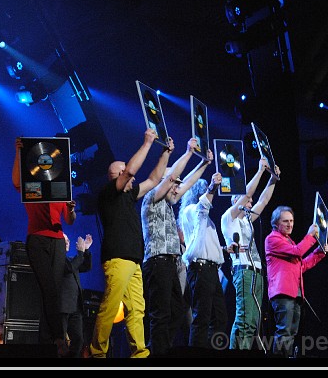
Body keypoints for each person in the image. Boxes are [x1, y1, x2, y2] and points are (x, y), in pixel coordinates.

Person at [89, 128, 173, 358]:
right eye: (125, 171)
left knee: (137, 309)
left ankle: (140, 354)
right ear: (117, 174)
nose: (132, 177)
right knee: (110, 305)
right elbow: (131, 171)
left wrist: (165, 153)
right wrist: (147, 143)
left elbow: (153, 180)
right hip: (117, 258)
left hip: (134, 260)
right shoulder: (108, 193)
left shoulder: (129, 195)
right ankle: (97, 352)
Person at [141, 138, 211, 356]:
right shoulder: (151, 197)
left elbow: (187, 183)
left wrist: (204, 163)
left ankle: (161, 349)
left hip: (171, 263)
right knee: (160, 313)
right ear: (163, 182)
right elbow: (173, 177)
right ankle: (157, 354)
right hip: (157, 261)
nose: (177, 188)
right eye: (173, 183)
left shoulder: (169, 201)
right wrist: (189, 152)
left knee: (178, 310)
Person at [13, 137, 76, 357]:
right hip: (37, 240)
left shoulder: (60, 188)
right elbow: (17, 182)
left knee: (52, 292)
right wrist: (19, 153)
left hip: (57, 241)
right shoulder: (33, 184)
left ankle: (47, 342)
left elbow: (69, 221)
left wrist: (71, 209)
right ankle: (59, 338)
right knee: (48, 289)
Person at [221, 158, 279, 350]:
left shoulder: (247, 220)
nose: (250, 201)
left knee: (253, 322)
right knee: (244, 319)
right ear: (235, 201)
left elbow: (263, 200)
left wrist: (273, 179)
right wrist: (261, 171)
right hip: (243, 271)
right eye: (246, 200)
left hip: (257, 272)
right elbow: (249, 193)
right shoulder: (229, 218)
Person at [265, 205, 328, 357]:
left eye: (291, 221)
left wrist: (319, 252)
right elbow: (298, 252)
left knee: (291, 333)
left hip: (296, 293)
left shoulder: (290, 242)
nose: (290, 224)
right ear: (276, 223)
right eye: (285, 221)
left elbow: (301, 266)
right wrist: (311, 236)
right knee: (284, 331)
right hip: (282, 292)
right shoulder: (272, 239)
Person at [180, 170, 229, 349]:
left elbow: (204, 244)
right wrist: (212, 188)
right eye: (204, 190)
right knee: (201, 316)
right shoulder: (190, 211)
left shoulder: (205, 220)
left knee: (220, 317)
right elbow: (202, 208)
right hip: (200, 269)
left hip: (210, 270)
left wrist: (224, 249)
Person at [61, 233, 93, 358]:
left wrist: (86, 250)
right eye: (64, 240)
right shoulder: (56, 259)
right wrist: (80, 253)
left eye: (68, 240)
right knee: (60, 341)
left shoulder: (70, 260)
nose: (67, 242)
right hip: (63, 307)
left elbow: (86, 266)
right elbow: (70, 268)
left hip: (75, 308)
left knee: (78, 340)